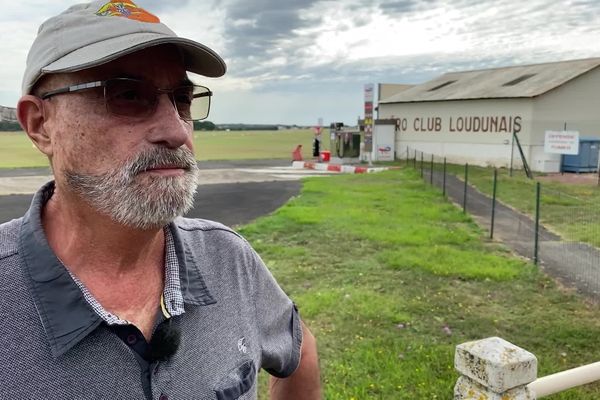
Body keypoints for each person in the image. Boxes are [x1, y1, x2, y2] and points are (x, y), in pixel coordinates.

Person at [1, 1, 321, 399]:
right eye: (127, 95)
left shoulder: (228, 258)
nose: (177, 131)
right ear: (40, 124)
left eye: (182, 100)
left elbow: (299, 350)